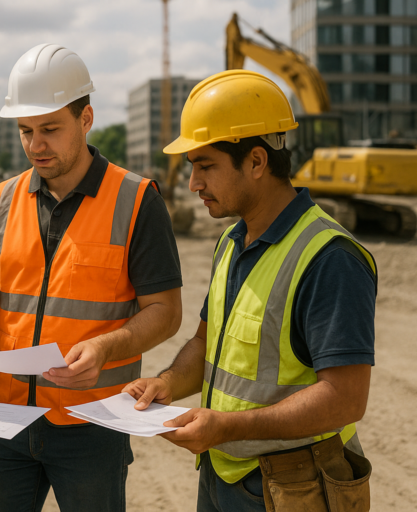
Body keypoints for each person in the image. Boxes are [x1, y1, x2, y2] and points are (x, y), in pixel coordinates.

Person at [0, 43, 183, 512]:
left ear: (85, 119)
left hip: (93, 422)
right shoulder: (0, 200)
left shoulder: (136, 200)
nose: (35, 145)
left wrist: (107, 348)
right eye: (25, 131)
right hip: (5, 418)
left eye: (50, 129)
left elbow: (166, 313)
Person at [124, 70, 376, 512]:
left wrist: (224, 428)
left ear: (257, 162)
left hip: (295, 487)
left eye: (206, 166)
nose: (193, 184)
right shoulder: (232, 240)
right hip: (225, 477)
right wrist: (164, 385)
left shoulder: (329, 258)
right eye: (192, 168)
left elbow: (346, 399)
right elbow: (207, 342)